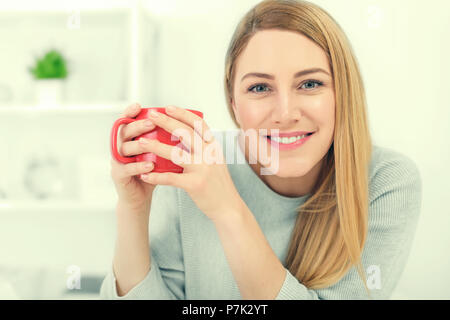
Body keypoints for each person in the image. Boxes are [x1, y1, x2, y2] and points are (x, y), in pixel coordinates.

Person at [100, 0, 422, 300]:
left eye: (310, 84)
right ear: (234, 105)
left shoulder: (387, 181)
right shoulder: (194, 163)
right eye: (260, 88)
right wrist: (133, 210)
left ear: (343, 92)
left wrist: (227, 209)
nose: (285, 113)